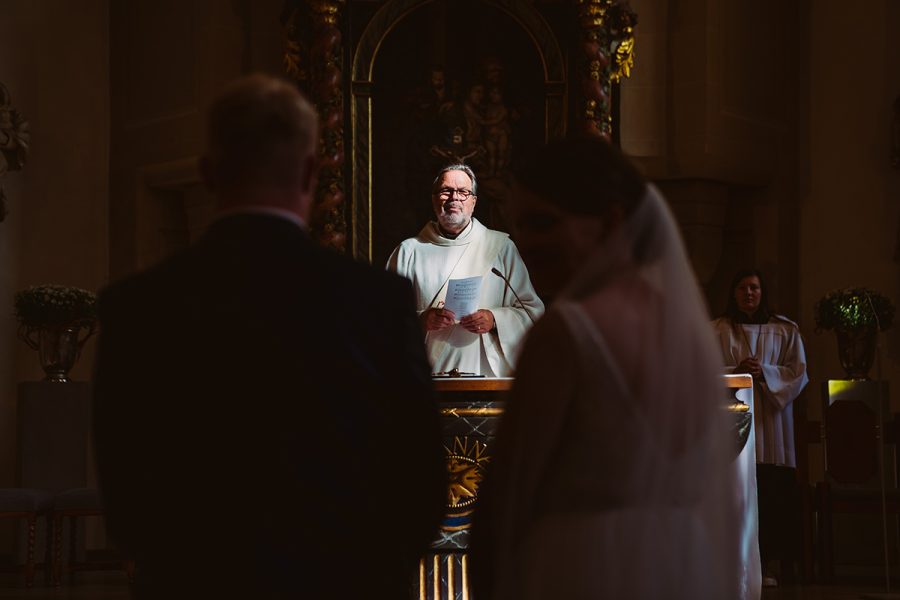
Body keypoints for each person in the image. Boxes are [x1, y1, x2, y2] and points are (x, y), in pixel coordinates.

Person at [92, 74, 446, 599]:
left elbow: (125, 498)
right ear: (310, 171)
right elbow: (420, 484)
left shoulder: (139, 305)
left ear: (209, 173)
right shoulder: (377, 301)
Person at [469, 136, 740, 599]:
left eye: (543, 222)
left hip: (585, 565)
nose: (528, 244)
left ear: (610, 222)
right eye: (520, 225)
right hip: (678, 561)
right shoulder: (681, 326)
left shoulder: (567, 331)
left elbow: (505, 500)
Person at [386, 163, 543, 376]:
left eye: (463, 192)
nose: (454, 198)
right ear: (434, 199)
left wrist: (494, 319)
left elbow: (532, 312)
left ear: (473, 202)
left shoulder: (500, 247)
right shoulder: (408, 251)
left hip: (485, 374)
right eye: (446, 191)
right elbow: (384, 319)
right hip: (425, 375)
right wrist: (422, 320)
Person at [712, 268, 809, 587]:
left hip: (773, 423)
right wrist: (736, 372)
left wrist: (764, 372)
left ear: (762, 292)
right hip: (734, 421)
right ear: (733, 293)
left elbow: (798, 372)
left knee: (773, 495)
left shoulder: (784, 330)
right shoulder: (718, 329)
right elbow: (702, 370)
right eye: (742, 288)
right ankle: (733, 563)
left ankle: (771, 564)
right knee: (737, 494)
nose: (749, 293)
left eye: (754, 288)